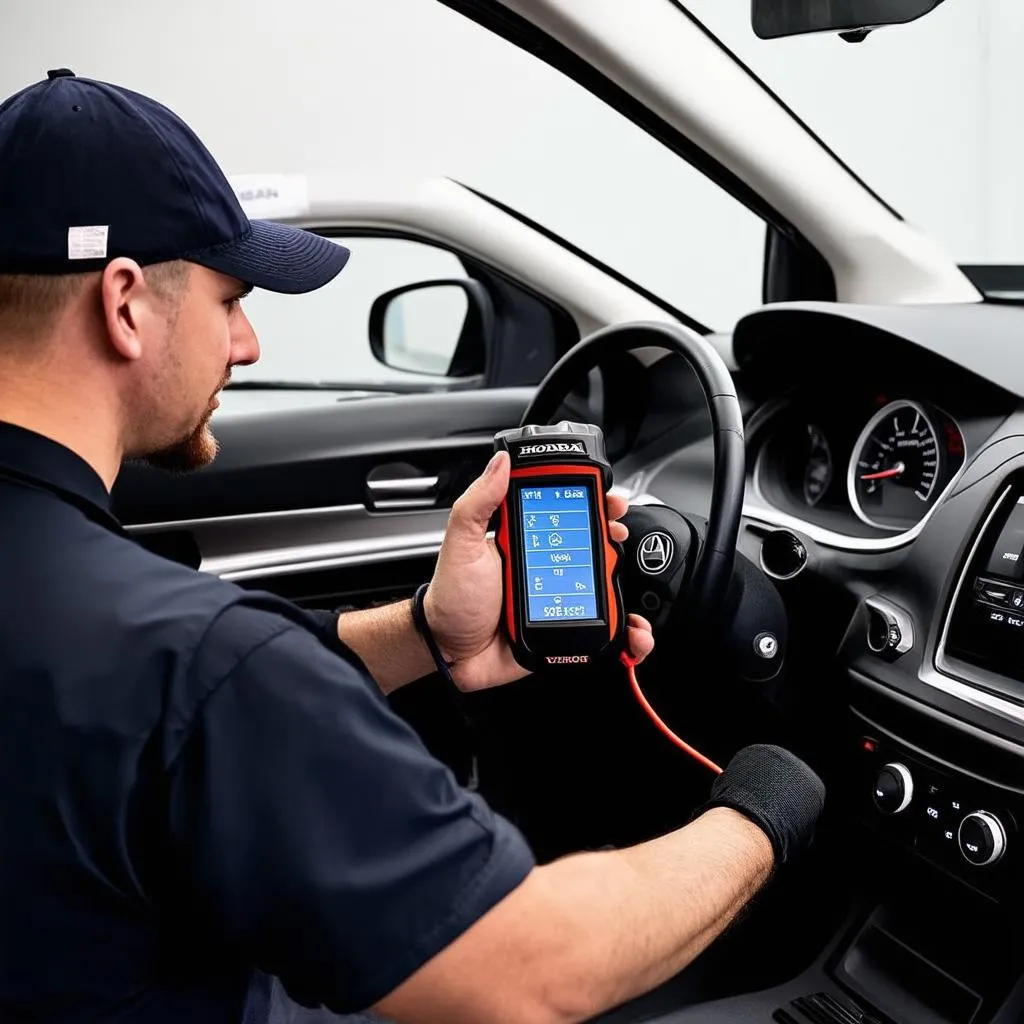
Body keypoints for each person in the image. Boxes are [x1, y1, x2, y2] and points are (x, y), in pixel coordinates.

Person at [0, 71, 825, 1024]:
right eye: (231, 299)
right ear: (126, 303)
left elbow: (152, 725)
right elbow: (534, 972)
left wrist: (432, 630)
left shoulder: (134, 648)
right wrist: (768, 806)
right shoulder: (199, 666)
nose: (251, 342)